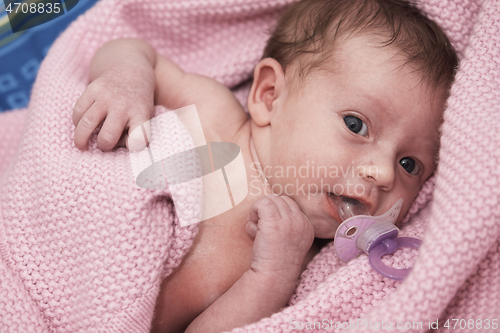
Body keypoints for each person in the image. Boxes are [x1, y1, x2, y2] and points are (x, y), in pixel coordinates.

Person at [71, 0, 458, 331]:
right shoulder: (215, 115)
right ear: (269, 96)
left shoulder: (301, 265)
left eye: (410, 164)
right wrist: (126, 79)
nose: (385, 174)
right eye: (356, 125)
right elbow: (136, 51)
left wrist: (272, 276)